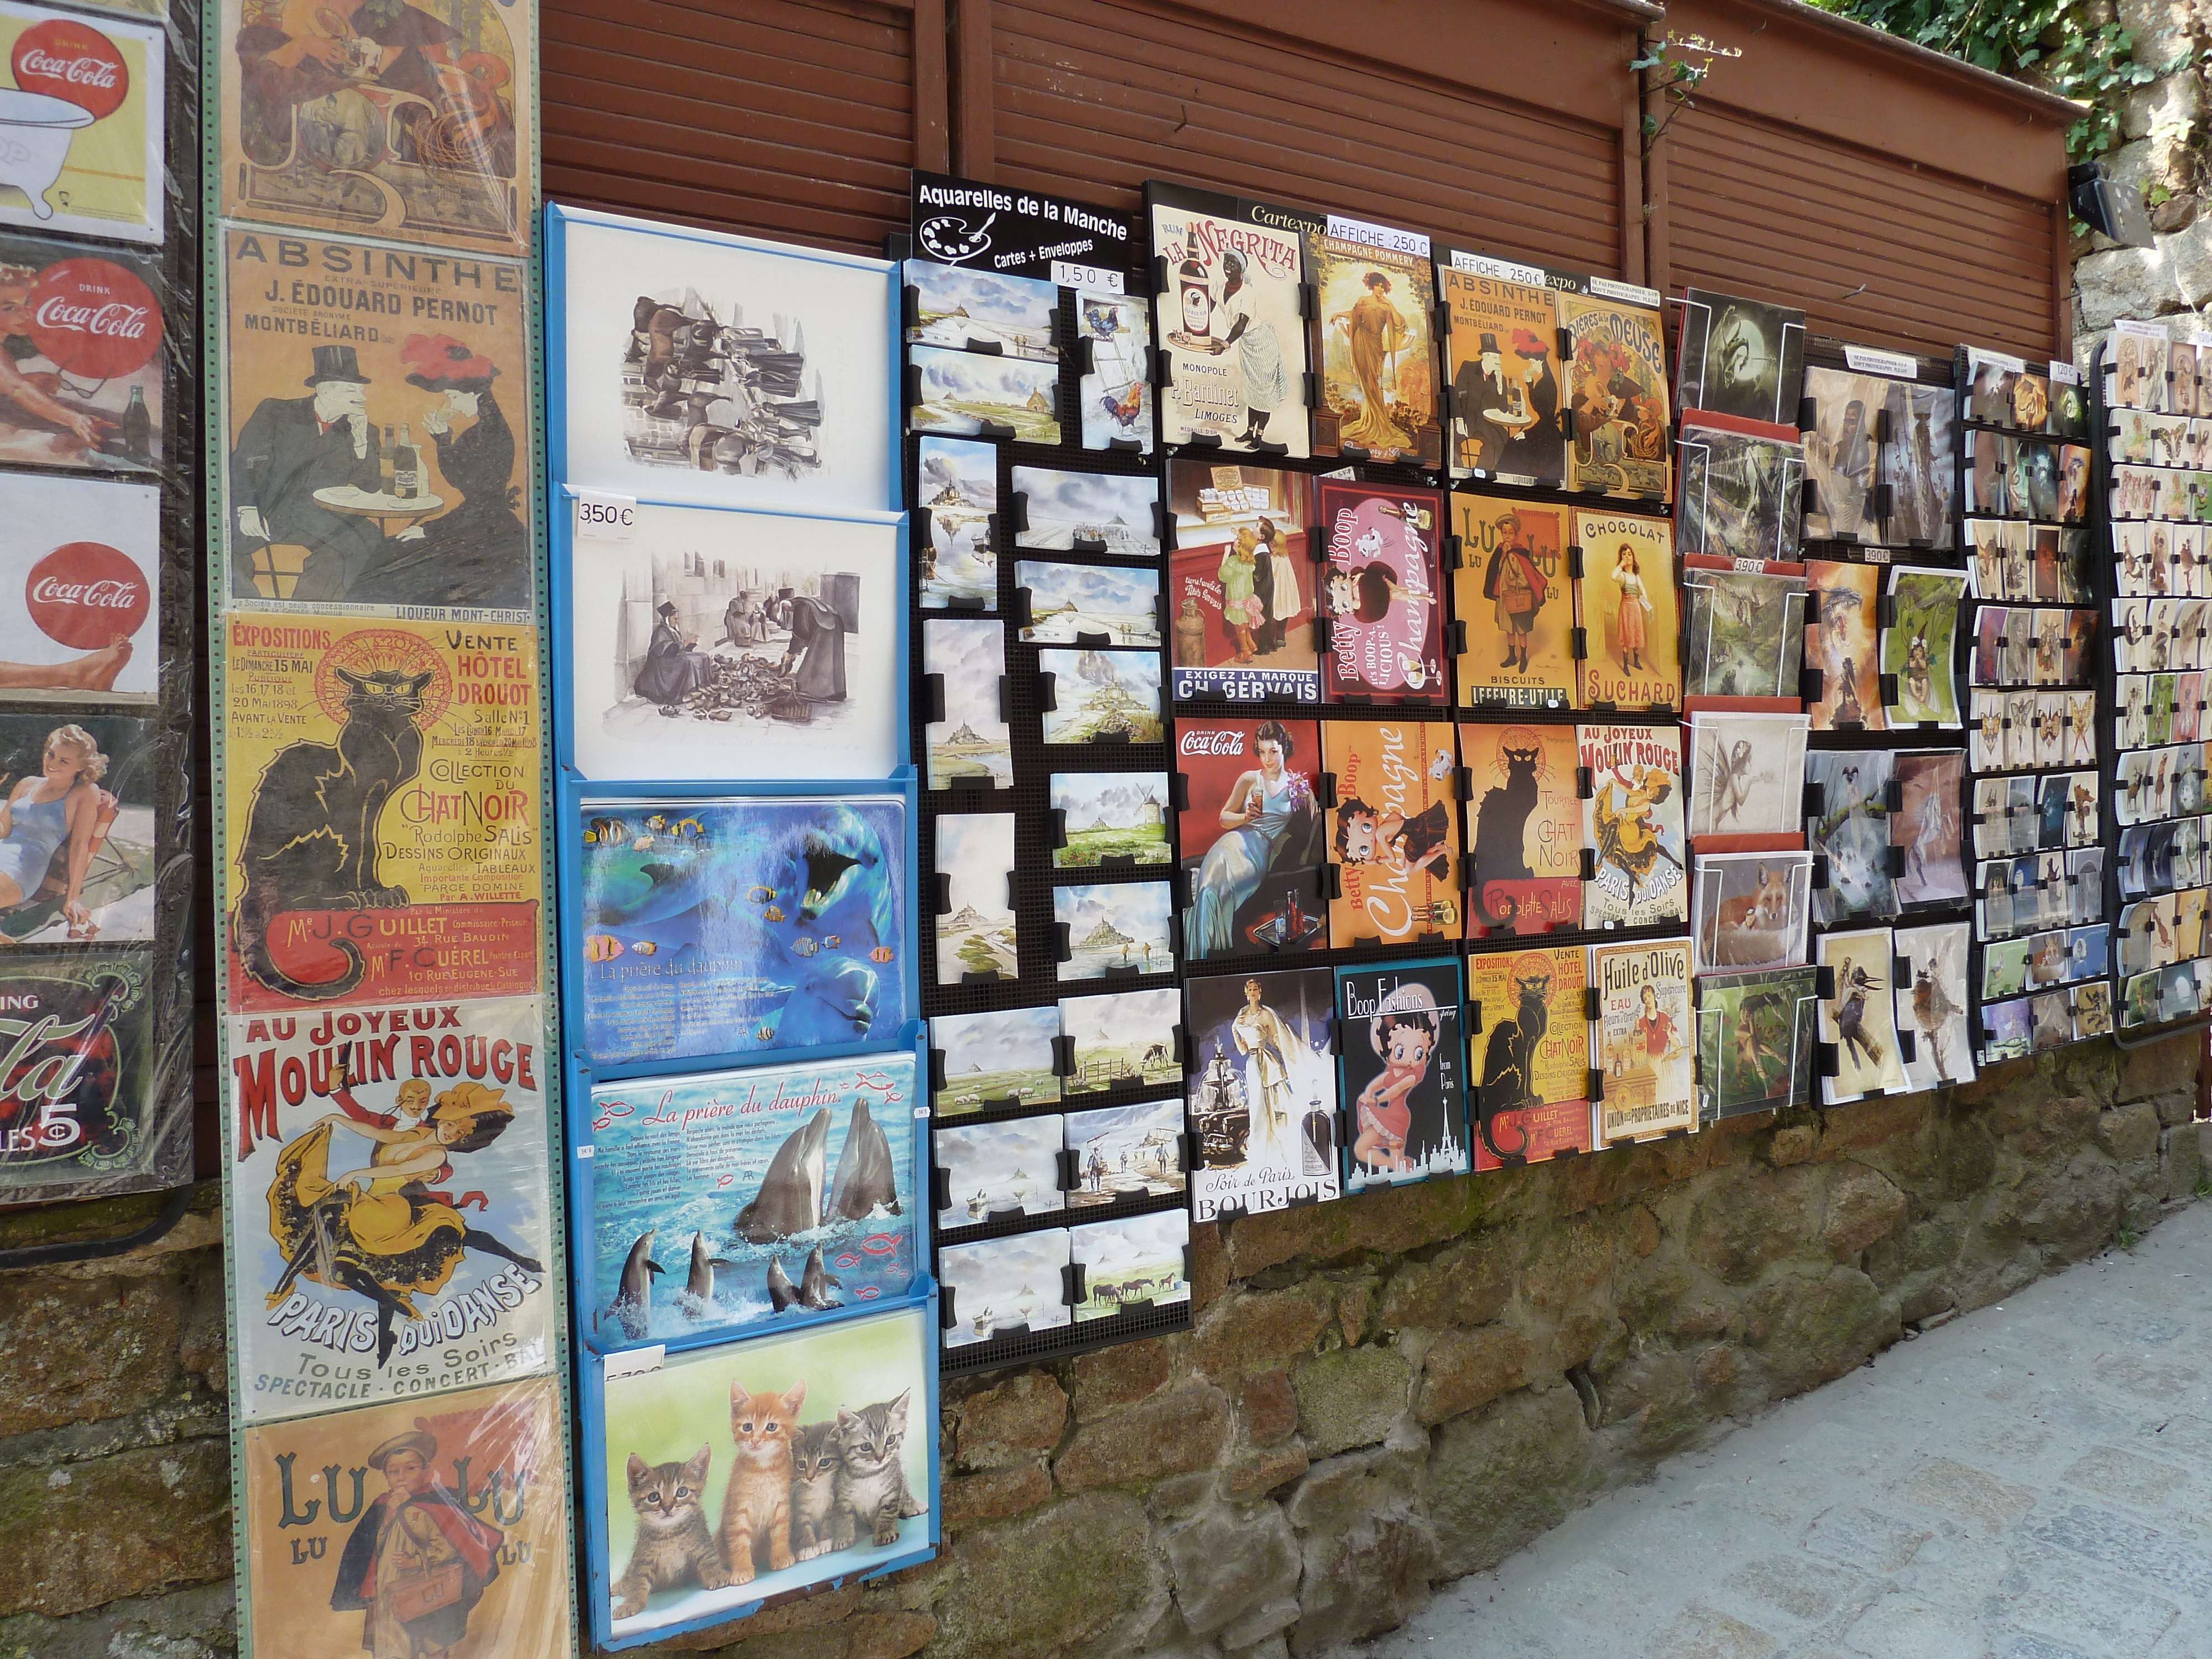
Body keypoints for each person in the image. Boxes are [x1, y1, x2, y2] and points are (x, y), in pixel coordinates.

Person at [347, 336, 528, 609]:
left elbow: (482, 500)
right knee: (386, 555)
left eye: (454, 396)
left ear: (475, 394)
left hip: (487, 532)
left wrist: (431, 531)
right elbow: (462, 479)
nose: (452, 404)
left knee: (388, 569)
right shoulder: (481, 428)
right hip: (476, 525)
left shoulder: (494, 433)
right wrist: (443, 439)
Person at [228, 345, 390, 603]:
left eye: (361, 390)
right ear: (326, 390)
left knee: (370, 543)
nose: (363, 398)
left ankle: (309, 611)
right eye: (352, 390)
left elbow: (369, 486)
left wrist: (361, 443)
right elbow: (241, 462)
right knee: (223, 553)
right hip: (268, 511)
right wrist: (246, 508)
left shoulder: (365, 430)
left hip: (320, 517)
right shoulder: (276, 412)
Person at [330, 1425, 506, 1659]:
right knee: (395, 1647)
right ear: (386, 1477)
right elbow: (371, 1548)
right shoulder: (383, 1506)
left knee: (433, 1646)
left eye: (410, 1468)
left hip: (428, 1594)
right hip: (391, 1592)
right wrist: (391, 1516)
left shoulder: (437, 1503)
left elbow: (452, 1548)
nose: (401, 1477)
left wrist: (415, 1562)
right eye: (394, 1472)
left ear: (426, 1471)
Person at [1188, 720, 1314, 957]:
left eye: (1273, 752)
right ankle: (1202, 955)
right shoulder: (1250, 779)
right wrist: (1245, 817)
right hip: (1232, 842)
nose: (1268, 759)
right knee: (1207, 891)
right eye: (1263, 752)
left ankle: (1215, 953)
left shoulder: (1298, 787)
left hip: (1258, 853)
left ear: (1284, 749)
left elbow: (1313, 823)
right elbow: (1224, 819)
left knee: (1222, 894)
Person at [0, 725, 116, 940]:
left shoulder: (84, 792)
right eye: (51, 754)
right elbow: (3, 829)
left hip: (23, 868)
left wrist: (73, 897)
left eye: (63, 761)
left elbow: (80, 845)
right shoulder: (27, 784)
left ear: (82, 766)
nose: (52, 763)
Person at [1210, 251, 1290, 447]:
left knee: (1264, 393)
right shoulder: (1220, 284)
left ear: (1242, 269)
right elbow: (1210, 302)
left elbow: (1241, 324)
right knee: (1252, 391)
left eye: (1233, 263)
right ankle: (1249, 431)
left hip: (1262, 343)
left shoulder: (1247, 293)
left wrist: (1225, 344)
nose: (1228, 266)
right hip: (1247, 345)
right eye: (1226, 262)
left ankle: (1259, 437)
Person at [1331, 270, 1411, 454]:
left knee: (1374, 380)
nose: (1381, 290)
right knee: (1367, 381)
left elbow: (1400, 325)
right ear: (1372, 285)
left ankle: (1377, 422)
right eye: (1378, 286)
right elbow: (1353, 315)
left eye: (1383, 287)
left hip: (1375, 345)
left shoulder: (1386, 307)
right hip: (1361, 340)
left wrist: (1390, 305)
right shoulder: (1363, 301)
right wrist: (1337, 314)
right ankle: (1373, 419)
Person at [1230, 976, 1301, 1160]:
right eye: (1250, 989)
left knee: (1272, 1100)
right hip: (1251, 1063)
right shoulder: (1242, 1015)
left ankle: (1277, 1138)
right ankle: (1260, 1139)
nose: (1253, 992)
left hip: (1266, 1061)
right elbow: (1242, 1050)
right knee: (1256, 1104)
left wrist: (1286, 1053)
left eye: (1255, 989)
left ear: (1260, 993)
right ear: (1245, 993)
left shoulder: (1266, 1015)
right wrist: (1234, 1032)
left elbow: (1277, 1038)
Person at [1482, 509, 1548, 674]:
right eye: (1504, 533)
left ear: (1516, 534)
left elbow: (1527, 577)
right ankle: (1512, 655)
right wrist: (1503, 556)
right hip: (1505, 597)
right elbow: (1495, 571)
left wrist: (1515, 582)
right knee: (1508, 627)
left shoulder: (1520, 553)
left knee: (1521, 629)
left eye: (1511, 533)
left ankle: (1523, 657)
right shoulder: (1501, 551)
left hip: (1519, 598)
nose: (1507, 536)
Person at [1499, 329, 1563, 481]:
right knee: (1512, 443)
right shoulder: (1543, 380)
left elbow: (1546, 418)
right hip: (1544, 431)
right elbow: (1538, 405)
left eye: (1533, 362)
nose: (1531, 365)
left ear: (1540, 362)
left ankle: (1505, 480)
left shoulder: (1547, 383)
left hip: (1547, 436)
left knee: (1513, 445)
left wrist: (1526, 434)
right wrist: (1529, 383)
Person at [633, 600, 716, 714]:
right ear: (667, 618)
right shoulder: (660, 632)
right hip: (663, 666)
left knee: (703, 656)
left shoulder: (673, 630)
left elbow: (678, 649)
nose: (677, 622)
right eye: (675, 619)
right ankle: (690, 693)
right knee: (688, 662)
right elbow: (669, 651)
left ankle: (705, 686)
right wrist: (686, 642)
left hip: (673, 658)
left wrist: (690, 644)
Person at [775, 588, 849, 701]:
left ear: (786, 603)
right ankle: (837, 692)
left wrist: (790, 653)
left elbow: (800, 633)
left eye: (784, 608)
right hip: (834, 625)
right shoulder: (806, 603)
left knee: (817, 661)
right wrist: (795, 652)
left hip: (826, 629)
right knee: (833, 660)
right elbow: (805, 632)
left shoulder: (801, 607)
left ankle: (818, 692)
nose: (787, 611)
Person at [1609, 543, 1655, 672]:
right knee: (1627, 634)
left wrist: (1646, 605)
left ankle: (1636, 660)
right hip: (1626, 608)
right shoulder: (1622, 576)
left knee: (1636, 632)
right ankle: (1625, 665)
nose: (1627, 557)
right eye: (1624, 554)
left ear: (1634, 558)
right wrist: (1621, 565)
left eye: (1629, 554)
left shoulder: (1636, 578)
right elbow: (1613, 576)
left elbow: (1643, 593)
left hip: (1636, 609)